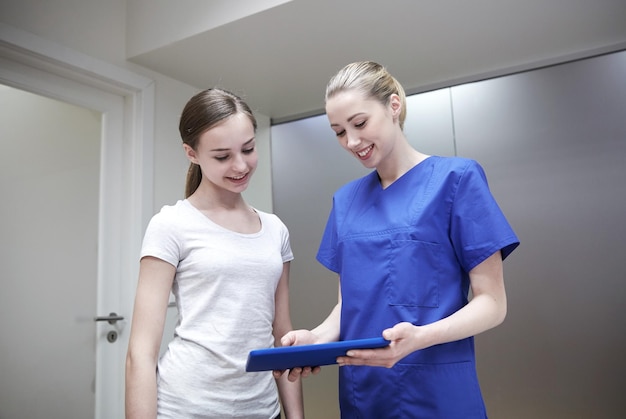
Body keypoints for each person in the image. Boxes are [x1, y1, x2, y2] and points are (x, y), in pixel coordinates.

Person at [277, 61, 519, 418]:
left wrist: (421, 337)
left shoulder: (456, 179)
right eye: (339, 132)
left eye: (360, 123)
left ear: (394, 106)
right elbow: (350, 306)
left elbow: (492, 304)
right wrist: (315, 338)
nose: (352, 141)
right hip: (364, 394)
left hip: (437, 392)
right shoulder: (345, 201)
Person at [125, 88, 303, 419]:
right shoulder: (171, 224)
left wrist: (295, 416)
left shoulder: (275, 230)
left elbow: (283, 335)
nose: (240, 165)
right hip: (186, 407)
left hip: (263, 408)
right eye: (222, 156)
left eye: (248, 149)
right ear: (191, 153)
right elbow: (141, 352)